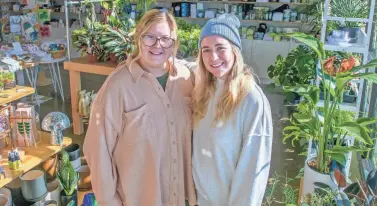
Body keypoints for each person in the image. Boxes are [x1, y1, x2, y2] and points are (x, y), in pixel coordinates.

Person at [83, 9, 196, 206]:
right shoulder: (117, 86)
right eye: (149, 37)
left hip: (182, 197)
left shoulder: (186, 79)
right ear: (138, 39)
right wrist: (109, 201)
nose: (157, 45)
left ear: (174, 42)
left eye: (165, 38)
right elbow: (97, 149)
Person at [191, 14, 273, 206]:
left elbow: (253, 170)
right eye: (206, 50)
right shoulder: (205, 90)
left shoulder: (251, 99)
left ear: (235, 51)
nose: (213, 57)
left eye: (221, 48)